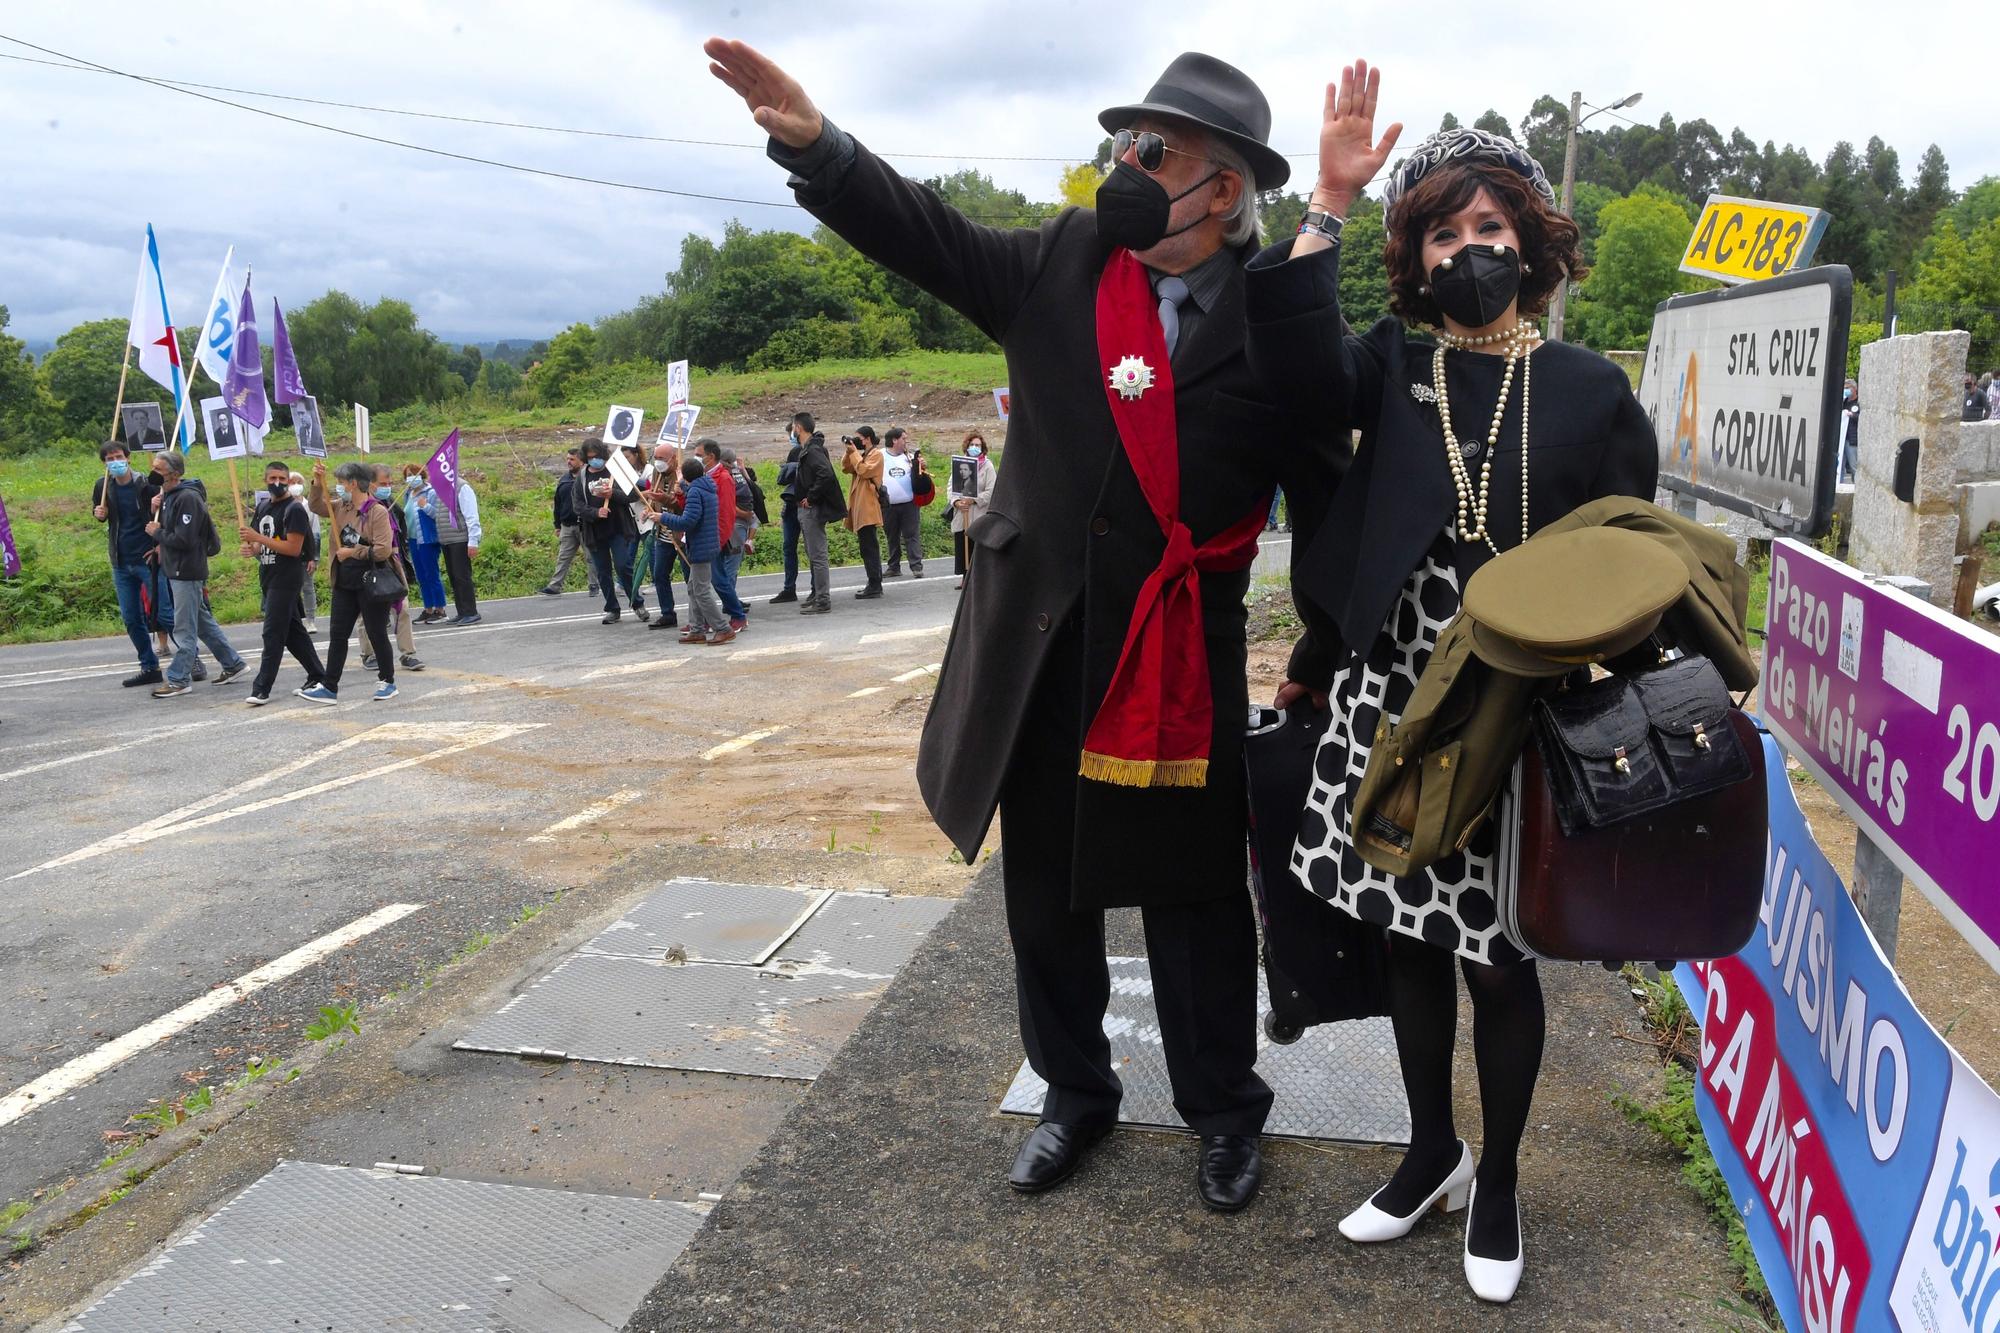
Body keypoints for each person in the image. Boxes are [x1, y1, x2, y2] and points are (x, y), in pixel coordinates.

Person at [710, 40, 1337, 1212]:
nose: (1127, 167)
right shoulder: (1061, 262)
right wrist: (819, 148)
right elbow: (926, 233)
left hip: (1177, 660)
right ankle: (1074, 1094)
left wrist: (1318, 645)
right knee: (1043, 893)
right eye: (1123, 146)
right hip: (1042, 646)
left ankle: (1221, 1110)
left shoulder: (1275, 324)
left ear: (1225, 191)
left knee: (1194, 901)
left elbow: (1327, 494)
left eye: (1158, 154)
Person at [1247, 68, 1659, 1303]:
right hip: (1389, 694)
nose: (1467, 249)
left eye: (1489, 229)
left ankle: (1500, 1178)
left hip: (1515, 709)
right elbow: (1293, 375)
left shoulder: (1590, 392)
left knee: (1497, 954)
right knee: (1402, 938)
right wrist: (1324, 199)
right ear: (1414, 258)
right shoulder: (1391, 365)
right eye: (1442, 231)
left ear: (1530, 247)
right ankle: (1429, 1148)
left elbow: (1635, 559)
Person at [145, 449, 246, 698]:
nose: (153, 473)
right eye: (154, 467)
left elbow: (185, 539)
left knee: (184, 628)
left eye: (159, 469)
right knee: (201, 622)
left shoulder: (187, 498)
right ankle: (233, 664)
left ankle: (178, 679)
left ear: (175, 474)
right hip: (176, 568)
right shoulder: (168, 496)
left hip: (186, 570)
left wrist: (158, 533)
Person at [303, 460, 400, 703]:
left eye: (341, 483)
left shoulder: (377, 511)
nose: (339, 487)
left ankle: (387, 681)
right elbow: (316, 505)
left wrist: (352, 552)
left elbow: (383, 551)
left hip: (370, 579)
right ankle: (329, 685)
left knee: (376, 632)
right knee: (338, 634)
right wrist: (317, 481)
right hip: (345, 581)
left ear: (354, 483)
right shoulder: (341, 507)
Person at [239, 457, 327, 705]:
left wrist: (259, 539)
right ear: (265, 481)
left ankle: (261, 688)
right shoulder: (264, 507)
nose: (277, 483)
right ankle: (318, 674)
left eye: (282, 479)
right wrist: (252, 548)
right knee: (293, 633)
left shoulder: (295, 509)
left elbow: (292, 548)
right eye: (272, 479)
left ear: (288, 481)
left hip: (287, 578)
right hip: (268, 576)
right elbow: (259, 544)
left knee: (273, 634)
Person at [92, 439, 177, 687]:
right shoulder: (103, 486)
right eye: (109, 459)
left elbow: (165, 517)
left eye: (118, 457)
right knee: (131, 618)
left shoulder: (147, 484)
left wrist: (161, 545)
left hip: (148, 559)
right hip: (121, 561)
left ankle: (190, 658)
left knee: (165, 613)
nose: (115, 462)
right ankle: (149, 666)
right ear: (104, 463)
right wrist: (98, 515)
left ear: (128, 458)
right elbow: (100, 512)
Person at [653, 456, 733, 645]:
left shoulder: (696, 492)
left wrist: (662, 517)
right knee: (693, 588)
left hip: (701, 546)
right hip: (707, 543)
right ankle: (697, 629)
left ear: (686, 476)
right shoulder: (705, 487)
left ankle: (723, 628)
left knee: (701, 591)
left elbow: (687, 521)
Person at [574, 441, 651, 625]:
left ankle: (637, 603)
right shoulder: (582, 476)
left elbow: (633, 495)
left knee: (623, 565)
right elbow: (577, 505)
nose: (595, 461)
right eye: (590, 458)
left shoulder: (615, 470)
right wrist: (595, 513)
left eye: (597, 457)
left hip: (617, 527)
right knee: (602, 571)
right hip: (594, 531)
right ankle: (612, 608)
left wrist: (612, 494)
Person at [361, 465, 425, 673]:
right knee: (367, 612)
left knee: (403, 609)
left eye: (389, 484)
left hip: (393, 563)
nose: (387, 488)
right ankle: (369, 653)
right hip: (369, 564)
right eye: (382, 484)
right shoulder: (361, 508)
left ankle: (408, 654)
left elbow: (401, 536)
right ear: (370, 484)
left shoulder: (393, 507)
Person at [793, 419, 845, 613]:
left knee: (818, 555)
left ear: (799, 427)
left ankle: (823, 599)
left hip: (812, 510)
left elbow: (826, 474)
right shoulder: (809, 449)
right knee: (813, 554)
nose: (792, 431)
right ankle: (817, 594)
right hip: (807, 508)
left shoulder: (813, 451)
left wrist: (811, 496)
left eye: (793, 427)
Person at [431, 465, 483, 625]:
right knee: (454, 577)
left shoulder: (462, 487)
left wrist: (473, 541)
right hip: (447, 540)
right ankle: (462, 611)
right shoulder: (442, 490)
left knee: (462, 577)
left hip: (460, 539)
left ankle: (471, 612)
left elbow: (471, 516)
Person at [715, 445, 760, 630]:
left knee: (728, 569)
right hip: (738, 522)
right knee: (728, 569)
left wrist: (744, 514)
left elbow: (727, 505)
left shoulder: (727, 477)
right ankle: (731, 603)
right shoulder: (734, 475)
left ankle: (732, 607)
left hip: (736, 524)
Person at [948, 430, 998, 591]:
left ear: (982, 447)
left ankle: (979, 580)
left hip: (979, 514)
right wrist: (956, 502)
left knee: (977, 548)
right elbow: (951, 487)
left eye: (978, 445)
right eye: (972, 445)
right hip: (963, 513)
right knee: (963, 546)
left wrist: (974, 499)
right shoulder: (960, 464)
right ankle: (965, 578)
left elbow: (991, 490)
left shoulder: (987, 466)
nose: (975, 447)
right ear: (967, 446)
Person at [400, 465, 449, 621]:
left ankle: (440, 610)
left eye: (413, 474)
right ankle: (428, 609)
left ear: (422, 476)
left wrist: (425, 506)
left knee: (431, 574)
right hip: (413, 540)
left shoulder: (431, 492)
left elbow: (439, 515)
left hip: (428, 539)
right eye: (408, 475)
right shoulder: (408, 493)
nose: (411, 478)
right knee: (421, 576)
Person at [842, 426, 886, 598]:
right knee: (865, 547)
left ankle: (875, 584)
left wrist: (854, 453)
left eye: (859, 438)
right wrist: (849, 451)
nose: (857, 440)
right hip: (859, 506)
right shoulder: (862, 455)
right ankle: (873, 581)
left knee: (869, 547)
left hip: (868, 507)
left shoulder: (876, 455)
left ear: (867, 439)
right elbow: (846, 468)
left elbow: (864, 470)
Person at [770, 413, 809, 604]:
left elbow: (783, 478)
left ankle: (792, 587)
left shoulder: (802, 451)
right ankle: (802, 588)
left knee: (794, 548)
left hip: (799, 505)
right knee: (793, 548)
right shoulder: (801, 451)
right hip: (797, 505)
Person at [880, 427, 925, 578]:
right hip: (888, 504)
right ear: (894, 440)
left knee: (911, 534)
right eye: (904, 439)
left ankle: (916, 566)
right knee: (891, 535)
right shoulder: (880, 455)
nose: (906, 442)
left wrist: (921, 467)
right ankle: (894, 566)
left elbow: (920, 476)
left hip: (909, 504)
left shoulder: (909, 457)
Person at [289, 471, 322, 632]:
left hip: (305, 553)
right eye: (291, 482)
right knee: (290, 588)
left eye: (298, 482)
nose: (295, 485)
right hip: (288, 554)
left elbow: (315, 532)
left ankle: (310, 620)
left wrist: (313, 557)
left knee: (307, 586)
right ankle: (294, 619)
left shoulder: (310, 506)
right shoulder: (284, 505)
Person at [1838, 379, 1860, 483]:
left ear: (1854, 389)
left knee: (1853, 465)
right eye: (1845, 388)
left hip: (1852, 440)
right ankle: (1839, 484)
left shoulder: (1858, 403)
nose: (1846, 390)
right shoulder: (1844, 402)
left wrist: (1853, 415)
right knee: (1840, 465)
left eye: (1848, 388)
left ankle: (1856, 486)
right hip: (1842, 438)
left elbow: (1861, 418)